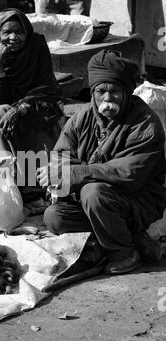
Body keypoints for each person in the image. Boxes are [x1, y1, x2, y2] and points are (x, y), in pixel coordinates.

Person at [37, 49, 166, 275]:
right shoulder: (82, 117)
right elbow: (62, 154)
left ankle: (124, 252)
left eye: (114, 91)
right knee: (54, 217)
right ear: (93, 93)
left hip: (138, 200)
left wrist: (76, 174)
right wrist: (57, 175)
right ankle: (113, 241)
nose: (107, 100)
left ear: (127, 92)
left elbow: (130, 174)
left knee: (93, 192)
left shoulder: (145, 123)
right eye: (101, 92)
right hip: (95, 201)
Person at [0, 8, 63, 163]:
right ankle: (5, 169)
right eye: (7, 32)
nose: (14, 37)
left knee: (4, 114)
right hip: (2, 110)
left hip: (34, 106)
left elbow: (47, 86)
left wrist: (21, 107)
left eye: (19, 31)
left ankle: (19, 175)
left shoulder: (36, 45)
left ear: (26, 31)